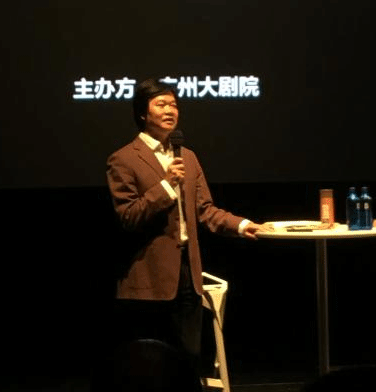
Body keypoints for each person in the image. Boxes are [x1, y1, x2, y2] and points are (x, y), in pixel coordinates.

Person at [106, 78, 261, 369]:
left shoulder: (187, 157)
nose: (170, 111)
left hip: (188, 274)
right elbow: (128, 217)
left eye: (174, 105)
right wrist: (166, 186)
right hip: (148, 280)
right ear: (142, 113)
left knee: (188, 360)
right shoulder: (123, 159)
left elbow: (205, 210)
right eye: (161, 104)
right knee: (151, 365)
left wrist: (242, 225)